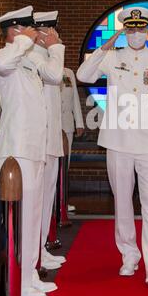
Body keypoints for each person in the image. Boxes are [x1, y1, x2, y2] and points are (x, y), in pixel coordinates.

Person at [77, 6, 148, 285]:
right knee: (122, 202)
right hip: (118, 141)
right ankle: (129, 256)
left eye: (140, 29)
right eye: (130, 29)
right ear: (125, 31)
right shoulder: (112, 57)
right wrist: (108, 43)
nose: (135, 34)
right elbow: (83, 75)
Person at [0, 6, 49, 296]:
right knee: (19, 221)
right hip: (15, 151)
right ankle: (18, 282)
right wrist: (22, 42)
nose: (34, 33)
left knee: (33, 217)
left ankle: (29, 275)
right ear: (14, 31)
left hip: (33, 150)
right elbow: (2, 64)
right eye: (28, 29)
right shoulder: (5, 58)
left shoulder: (27, 63)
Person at [29, 11, 66, 271]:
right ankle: (34, 254)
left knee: (46, 197)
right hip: (39, 142)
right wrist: (57, 49)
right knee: (37, 200)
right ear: (41, 33)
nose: (56, 36)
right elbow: (54, 76)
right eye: (51, 31)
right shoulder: (34, 58)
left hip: (50, 139)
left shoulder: (47, 57)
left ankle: (40, 247)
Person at [60, 67, 85, 213]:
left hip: (67, 125)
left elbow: (75, 97)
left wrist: (79, 122)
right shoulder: (44, 68)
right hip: (50, 126)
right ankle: (51, 203)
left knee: (65, 166)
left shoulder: (68, 73)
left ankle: (63, 201)